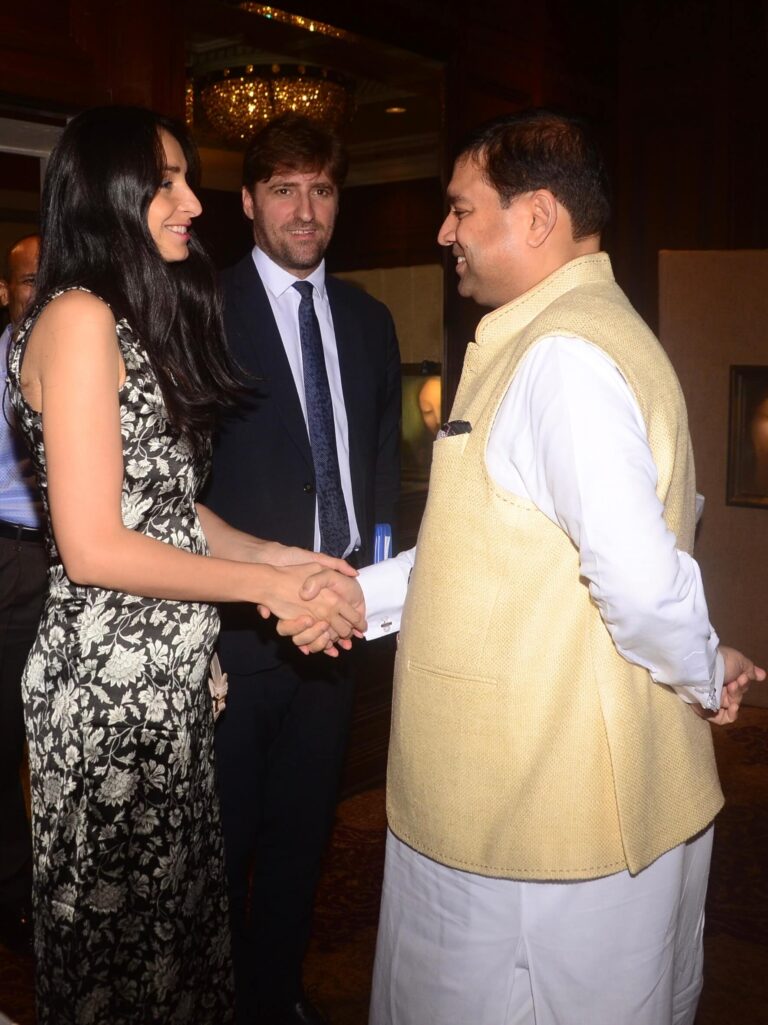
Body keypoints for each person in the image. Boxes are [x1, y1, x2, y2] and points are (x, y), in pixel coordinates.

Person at [288, 110, 765, 1025]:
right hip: (539, 802)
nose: (444, 232)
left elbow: (631, 572)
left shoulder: (562, 358)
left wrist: (705, 670)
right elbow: (506, 546)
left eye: (460, 209)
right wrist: (351, 592)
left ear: (537, 216)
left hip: (535, 817)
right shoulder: (575, 332)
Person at [6, 105, 364, 1025]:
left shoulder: (122, 315)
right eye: (167, 180)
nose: (192, 203)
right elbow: (94, 549)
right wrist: (270, 587)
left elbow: (171, 513)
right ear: (112, 190)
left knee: (175, 948)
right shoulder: (80, 317)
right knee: (126, 964)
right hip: (110, 694)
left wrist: (289, 558)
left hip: (164, 680)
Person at [202, 113, 400, 1025]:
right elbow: (179, 485)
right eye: (283, 188)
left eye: (321, 188)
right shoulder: (201, 307)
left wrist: (379, 588)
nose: (305, 208)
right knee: (223, 840)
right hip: (237, 633)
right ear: (246, 202)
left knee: (304, 837)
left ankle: (276, 996)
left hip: (341, 625)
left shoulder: (367, 319)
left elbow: (380, 474)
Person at [0, 233, 43, 955]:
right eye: (33, 278)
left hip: (71, 561)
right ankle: (13, 893)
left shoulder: (79, 353)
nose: (44, 290)